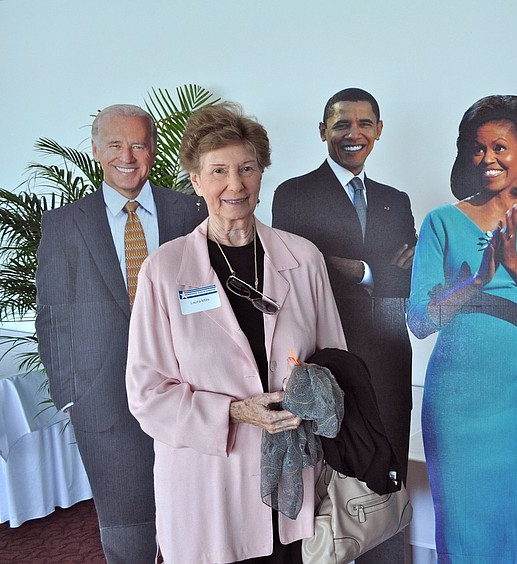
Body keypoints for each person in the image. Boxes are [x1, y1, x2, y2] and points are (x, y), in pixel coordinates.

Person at [125, 102, 346, 564]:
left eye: (247, 168)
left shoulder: (302, 258)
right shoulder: (165, 270)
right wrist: (236, 412)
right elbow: (147, 394)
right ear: (196, 180)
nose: (235, 183)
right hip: (208, 480)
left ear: (262, 175)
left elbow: (337, 361)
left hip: (291, 474)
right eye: (219, 170)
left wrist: (314, 391)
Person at [35, 104, 206, 563]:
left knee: (194, 518)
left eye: (138, 143)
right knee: (126, 529)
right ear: (95, 150)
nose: (127, 155)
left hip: (186, 391)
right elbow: (52, 317)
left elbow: (211, 299)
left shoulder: (189, 210)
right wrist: (71, 395)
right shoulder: (65, 224)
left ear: (153, 148)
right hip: (103, 402)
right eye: (115, 144)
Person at [407, 94, 517, 562]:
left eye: (500, 147)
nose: (488, 160)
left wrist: (515, 264)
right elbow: (419, 322)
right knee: (463, 531)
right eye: (478, 149)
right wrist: (476, 281)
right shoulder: (441, 221)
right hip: (456, 403)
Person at [272, 87, 417, 563]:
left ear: (378, 131)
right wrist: (379, 268)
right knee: (324, 484)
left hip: (388, 361)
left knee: (386, 477)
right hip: (325, 366)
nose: (353, 134)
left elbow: (410, 276)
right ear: (322, 132)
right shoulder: (292, 194)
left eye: (364, 124)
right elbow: (298, 267)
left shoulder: (397, 200)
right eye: (341, 124)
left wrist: (358, 269)